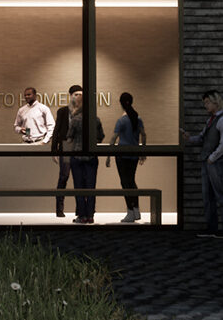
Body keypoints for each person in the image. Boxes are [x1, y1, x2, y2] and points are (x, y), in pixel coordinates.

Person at [185, 89, 223, 237]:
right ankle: (212, 228)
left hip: (216, 162)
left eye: (207, 102)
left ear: (215, 102)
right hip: (208, 162)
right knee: (208, 196)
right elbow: (202, 138)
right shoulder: (210, 120)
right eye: (204, 103)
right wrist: (189, 138)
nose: (205, 105)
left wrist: (212, 158)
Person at [51, 84, 105, 224]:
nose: (77, 97)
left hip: (76, 150)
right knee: (66, 177)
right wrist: (55, 150)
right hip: (71, 149)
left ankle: (82, 213)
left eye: (79, 95)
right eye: (75, 94)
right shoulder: (64, 111)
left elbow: (70, 135)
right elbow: (57, 131)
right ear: (70, 96)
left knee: (80, 183)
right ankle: (64, 209)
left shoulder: (81, 118)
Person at [14, 87, 60, 216]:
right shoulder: (21, 110)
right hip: (25, 143)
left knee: (40, 175)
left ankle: (41, 206)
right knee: (25, 175)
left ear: (35, 95)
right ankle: (26, 205)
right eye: (25, 95)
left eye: (29, 94)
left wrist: (45, 141)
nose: (27, 97)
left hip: (40, 143)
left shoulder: (43, 108)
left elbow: (52, 126)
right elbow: (15, 126)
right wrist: (20, 130)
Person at [114, 91, 146, 224]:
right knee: (131, 182)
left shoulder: (122, 120)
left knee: (125, 183)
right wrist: (143, 150)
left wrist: (109, 153)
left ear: (121, 104)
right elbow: (143, 135)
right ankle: (136, 210)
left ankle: (130, 211)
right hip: (133, 155)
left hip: (122, 155)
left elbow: (113, 137)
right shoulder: (137, 118)